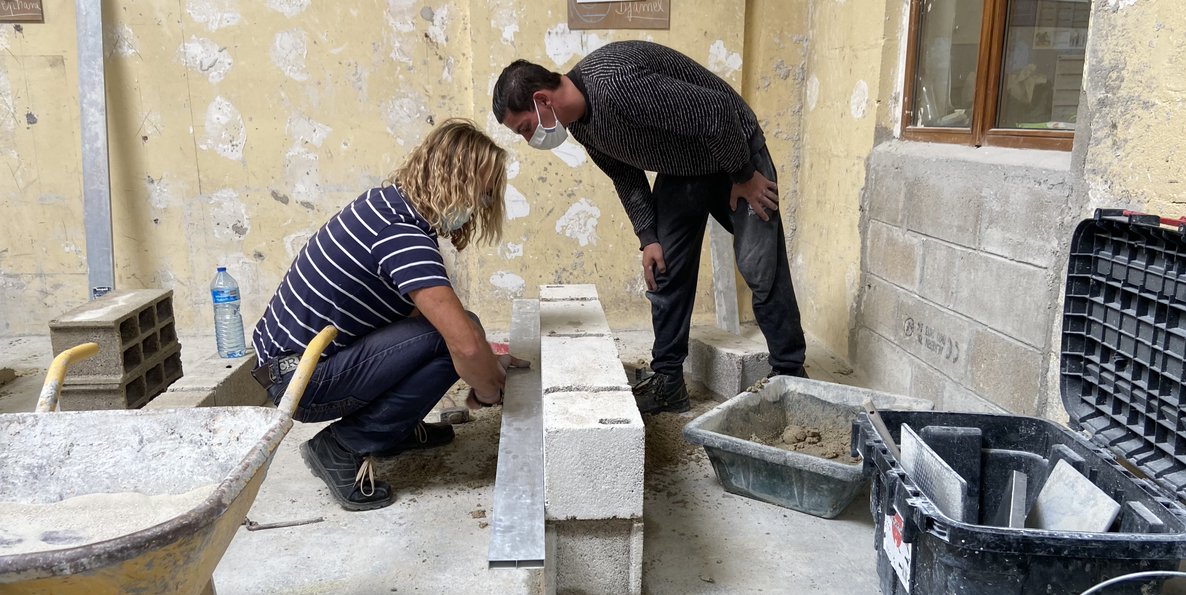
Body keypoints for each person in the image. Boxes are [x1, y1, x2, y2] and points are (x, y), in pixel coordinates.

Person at [491, 40, 808, 416]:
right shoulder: (581, 126)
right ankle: (669, 383)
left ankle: (791, 374)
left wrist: (744, 176)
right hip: (683, 168)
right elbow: (625, 176)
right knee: (664, 269)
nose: (529, 140)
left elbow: (716, 112)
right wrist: (648, 238)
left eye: (526, 128)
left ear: (542, 100)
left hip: (734, 152)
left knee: (761, 266)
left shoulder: (615, 84)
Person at [251, 118, 525, 511]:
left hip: (292, 365)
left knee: (460, 330)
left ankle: (394, 429)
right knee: (452, 339)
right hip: (301, 380)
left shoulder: (386, 206)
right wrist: (487, 388)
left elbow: (425, 320)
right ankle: (342, 446)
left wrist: (486, 356)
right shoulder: (402, 235)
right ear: (456, 182)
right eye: (481, 195)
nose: (479, 207)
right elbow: (461, 343)